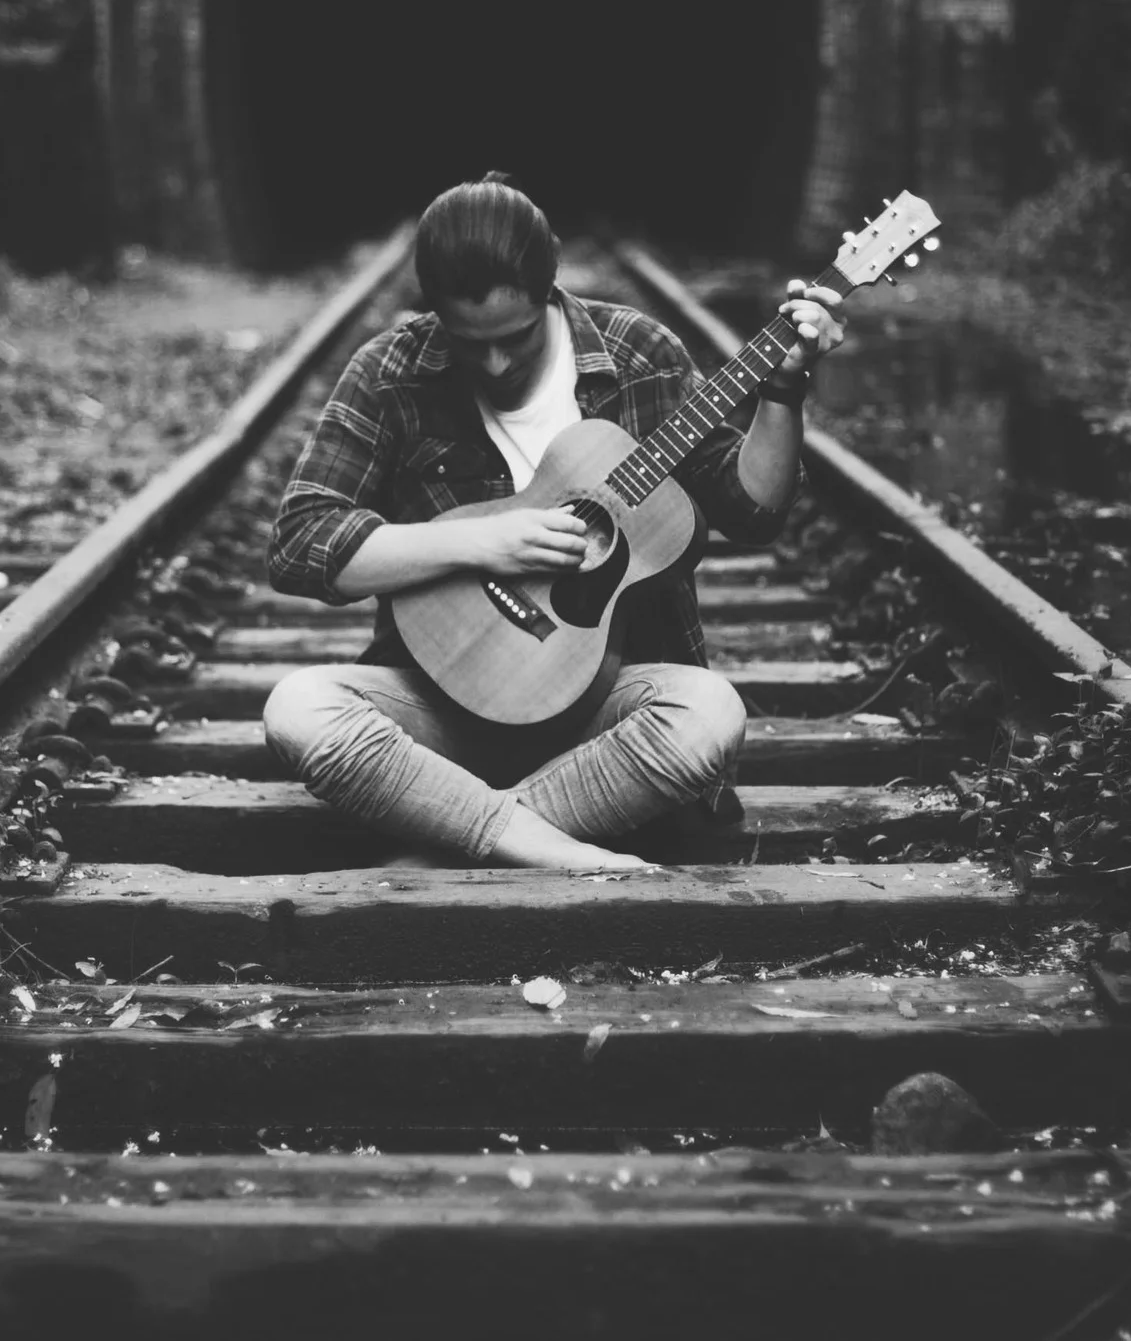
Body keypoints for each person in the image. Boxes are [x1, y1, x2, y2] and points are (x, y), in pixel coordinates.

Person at [261, 174, 847, 869]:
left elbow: (754, 512)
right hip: (442, 710)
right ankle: (548, 849)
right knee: (297, 706)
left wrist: (782, 391)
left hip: (603, 722)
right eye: (469, 341)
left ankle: (456, 837)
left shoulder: (641, 355)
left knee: (712, 714)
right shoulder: (391, 372)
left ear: (549, 287)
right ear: (433, 306)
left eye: (514, 336)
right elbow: (301, 544)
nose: (496, 362)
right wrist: (483, 541)